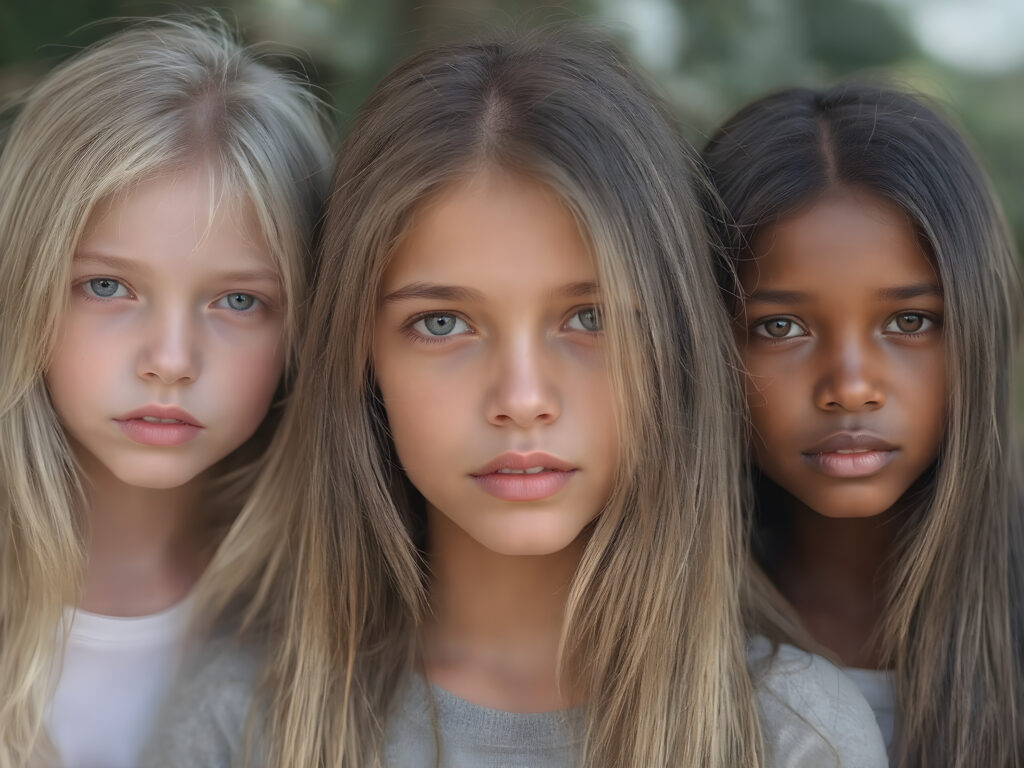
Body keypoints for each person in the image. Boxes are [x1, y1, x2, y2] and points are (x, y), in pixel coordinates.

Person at [147, 32, 885, 768]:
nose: (523, 399)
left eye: (588, 318)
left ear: (676, 345)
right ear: (361, 357)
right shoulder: (241, 723)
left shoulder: (793, 736)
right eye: (443, 324)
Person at [0, 17, 332, 767]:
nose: (172, 360)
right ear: (23, 282)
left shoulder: (331, 610)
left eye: (238, 302)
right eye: (108, 286)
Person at [702, 83, 1024, 766]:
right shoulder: (640, 632)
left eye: (910, 322)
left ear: (980, 329)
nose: (850, 386)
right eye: (780, 327)